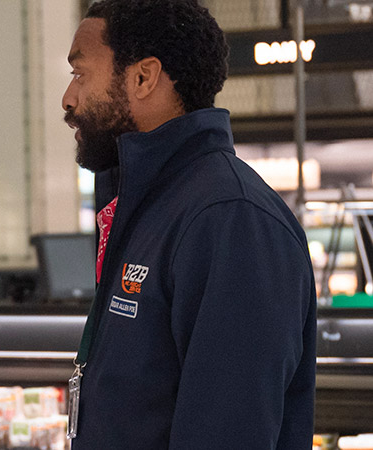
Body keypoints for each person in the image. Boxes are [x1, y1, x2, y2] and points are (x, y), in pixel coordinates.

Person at [61, 0, 316, 448]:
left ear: (143, 77)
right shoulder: (152, 205)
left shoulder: (229, 219)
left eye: (80, 74)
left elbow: (227, 433)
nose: (69, 99)